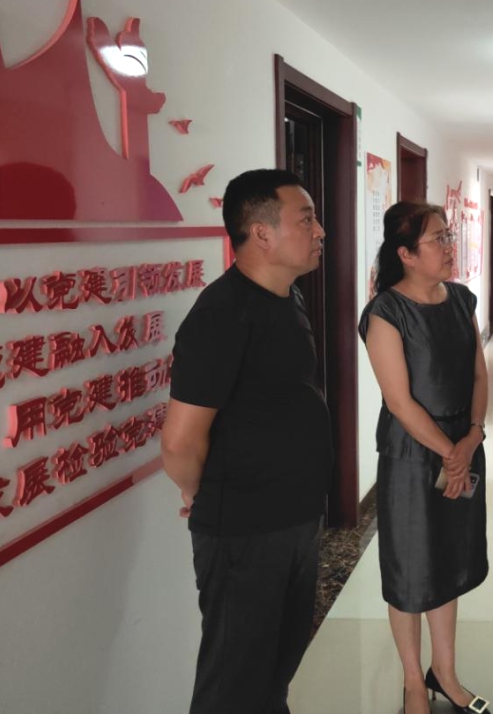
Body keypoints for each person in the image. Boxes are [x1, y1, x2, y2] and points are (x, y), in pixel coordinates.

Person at [161, 169, 332, 713]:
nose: (320, 231)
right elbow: (180, 442)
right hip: (244, 530)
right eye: (307, 220)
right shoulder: (221, 315)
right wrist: (202, 492)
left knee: (275, 669)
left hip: (293, 518)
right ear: (261, 233)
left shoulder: (287, 297)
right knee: (233, 683)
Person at [359, 202, 492, 714]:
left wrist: (472, 437)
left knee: (449, 561)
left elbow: (479, 374)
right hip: (412, 458)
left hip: (463, 445)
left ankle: (447, 674)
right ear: (406, 254)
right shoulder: (385, 312)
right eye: (438, 239)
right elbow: (399, 401)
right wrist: (450, 453)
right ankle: (414, 682)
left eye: (449, 236)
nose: (449, 247)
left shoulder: (460, 299)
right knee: (411, 568)